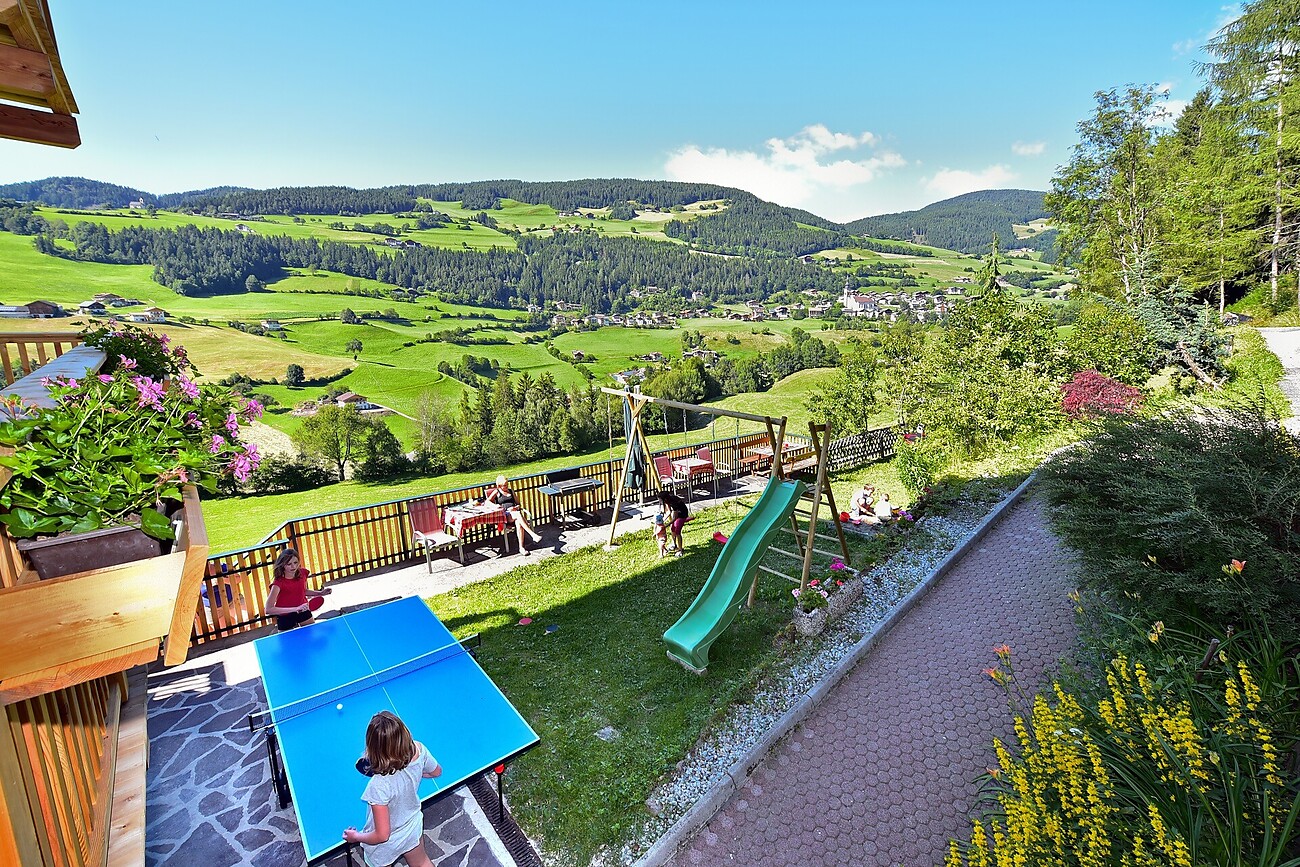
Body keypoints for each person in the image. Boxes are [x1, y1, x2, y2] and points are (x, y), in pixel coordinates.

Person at [343, 711, 442, 867]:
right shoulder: (419, 749)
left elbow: (382, 835)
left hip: (385, 846)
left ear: (372, 747)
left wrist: (356, 837)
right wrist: (415, 774)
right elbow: (436, 772)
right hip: (412, 827)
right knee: (422, 863)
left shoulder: (378, 786)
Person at [264, 548, 330, 631]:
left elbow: (302, 591)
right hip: (285, 616)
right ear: (282, 565)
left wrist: (320, 593)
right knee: (287, 639)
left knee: (311, 635)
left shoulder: (302, 573)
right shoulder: (278, 583)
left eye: (295, 562)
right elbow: (268, 609)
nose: (293, 566)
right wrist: (296, 608)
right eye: (289, 564)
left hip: (303, 610)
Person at [484, 474, 542, 556]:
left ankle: (521, 548)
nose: (506, 486)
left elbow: (518, 504)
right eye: (504, 485)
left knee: (519, 523)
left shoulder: (511, 491)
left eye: (507, 484)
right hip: (505, 515)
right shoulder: (497, 492)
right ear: (499, 486)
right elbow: (487, 502)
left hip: (514, 514)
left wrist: (516, 507)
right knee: (518, 514)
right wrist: (496, 506)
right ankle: (532, 535)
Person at [655, 489, 690, 557]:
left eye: (660, 500)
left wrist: (666, 525)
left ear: (664, 499)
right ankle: (674, 544)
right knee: (672, 529)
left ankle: (680, 550)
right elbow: (669, 512)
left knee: (677, 531)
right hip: (677, 514)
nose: (659, 501)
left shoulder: (674, 502)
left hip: (682, 514)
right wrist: (663, 520)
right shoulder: (668, 500)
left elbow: (675, 518)